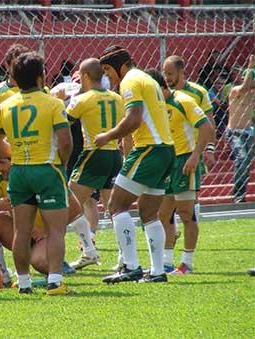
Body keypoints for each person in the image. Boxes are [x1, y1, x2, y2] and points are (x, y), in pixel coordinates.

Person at [0, 52, 73, 295]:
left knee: (21, 231)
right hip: (47, 169)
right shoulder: (53, 103)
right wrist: (62, 163)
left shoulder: (5, 105)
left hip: (19, 172)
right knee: (55, 230)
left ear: (14, 77)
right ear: (41, 77)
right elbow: (65, 141)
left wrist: (14, 154)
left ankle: (24, 282)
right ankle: (55, 282)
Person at [96, 45, 175, 284]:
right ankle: (158, 271)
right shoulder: (146, 79)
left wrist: (107, 136)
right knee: (149, 213)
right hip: (166, 150)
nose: (108, 77)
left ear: (120, 66)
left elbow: (133, 119)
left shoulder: (130, 81)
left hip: (149, 149)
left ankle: (130, 266)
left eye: (108, 71)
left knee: (116, 205)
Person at [0, 152, 85, 287]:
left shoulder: (45, 172)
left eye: (3, 162)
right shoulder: (0, 176)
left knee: (40, 261)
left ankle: (55, 270)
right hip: (22, 233)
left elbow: (76, 208)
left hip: (42, 236)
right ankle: (2, 277)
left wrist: (48, 230)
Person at [147, 69, 215, 275]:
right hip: (166, 162)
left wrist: (196, 156)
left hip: (185, 161)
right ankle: (166, 261)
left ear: (159, 87)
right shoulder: (157, 105)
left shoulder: (183, 100)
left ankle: (187, 262)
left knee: (186, 213)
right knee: (163, 214)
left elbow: (207, 128)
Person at [66, 58, 128, 270]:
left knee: (70, 202)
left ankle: (89, 251)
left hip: (94, 153)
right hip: (114, 156)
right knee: (116, 209)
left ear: (84, 76)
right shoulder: (117, 98)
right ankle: (125, 257)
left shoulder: (82, 99)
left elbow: (64, 125)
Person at [227, 55, 254, 203]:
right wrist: (251, 65)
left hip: (249, 132)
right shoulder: (235, 90)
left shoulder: (252, 94)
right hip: (235, 132)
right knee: (242, 159)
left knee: (246, 163)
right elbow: (246, 86)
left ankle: (240, 194)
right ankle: (238, 195)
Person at [0, 44, 30, 110]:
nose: (21, 68)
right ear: (7, 65)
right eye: (16, 64)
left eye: (24, 64)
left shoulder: (42, 90)